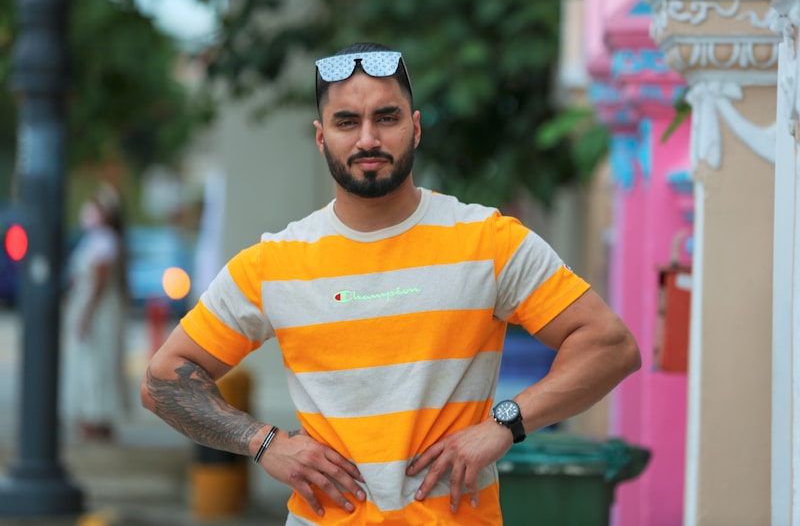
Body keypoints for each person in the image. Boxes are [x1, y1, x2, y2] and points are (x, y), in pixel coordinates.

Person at [141, 42, 641, 525]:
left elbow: (610, 346)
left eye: (386, 117)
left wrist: (504, 424)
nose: (367, 139)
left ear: (415, 127)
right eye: (346, 122)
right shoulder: (274, 263)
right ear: (321, 137)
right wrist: (263, 442)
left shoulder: (487, 240)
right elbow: (161, 380)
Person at [63, 183, 129, 441]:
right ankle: (94, 417)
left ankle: (96, 416)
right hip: (93, 306)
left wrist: (86, 313)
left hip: (100, 311)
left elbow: (99, 281)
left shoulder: (105, 241)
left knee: (96, 362)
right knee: (92, 360)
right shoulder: (95, 240)